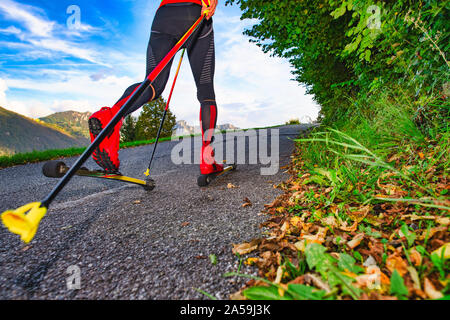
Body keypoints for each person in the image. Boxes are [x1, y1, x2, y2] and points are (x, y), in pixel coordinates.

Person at [88, 0, 223, 177]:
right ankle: (208, 158)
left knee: (152, 84)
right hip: (195, 12)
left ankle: (111, 116)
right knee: (206, 91)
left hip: (163, 17)